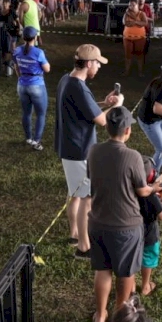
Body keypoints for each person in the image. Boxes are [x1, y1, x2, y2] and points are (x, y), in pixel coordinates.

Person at [88, 107, 162, 322]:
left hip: (97, 221)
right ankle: (119, 316)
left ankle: (100, 317)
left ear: (108, 128)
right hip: (126, 226)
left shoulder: (94, 151)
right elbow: (142, 190)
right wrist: (154, 188)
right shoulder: (133, 156)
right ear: (128, 130)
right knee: (125, 272)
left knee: (102, 269)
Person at [55, 44, 123, 259]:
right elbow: (102, 121)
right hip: (79, 150)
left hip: (68, 146)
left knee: (74, 194)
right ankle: (84, 248)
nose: (99, 67)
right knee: (87, 198)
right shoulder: (79, 87)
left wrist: (105, 102)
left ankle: (75, 234)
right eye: (97, 63)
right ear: (89, 63)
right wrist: (117, 105)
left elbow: (84, 108)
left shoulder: (67, 80)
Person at [138, 156, 162, 297]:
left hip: (134, 231)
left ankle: (131, 285)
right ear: (152, 176)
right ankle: (145, 286)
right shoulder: (152, 196)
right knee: (148, 258)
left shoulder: (129, 191)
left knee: (134, 257)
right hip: (150, 234)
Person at [12, 26, 50, 150]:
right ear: (35, 38)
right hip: (37, 84)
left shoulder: (17, 50)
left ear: (23, 37)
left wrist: (20, 77)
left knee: (26, 113)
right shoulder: (38, 52)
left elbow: (16, 66)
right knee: (41, 114)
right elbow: (47, 69)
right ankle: (36, 141)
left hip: (22, 84)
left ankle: (28, 138)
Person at [123, 0, 149, 77]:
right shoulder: (126, 13)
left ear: (137, 5)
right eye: (130, 5)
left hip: (140, 38)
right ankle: (126, 72)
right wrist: (138, 23)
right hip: (128, 38)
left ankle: (140, 72)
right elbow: (125, 23)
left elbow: (145, 23)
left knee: (140, 55)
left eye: (133, 5)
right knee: (127, 56)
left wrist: (134, 22)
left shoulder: (142, 14)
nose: (131, 7)